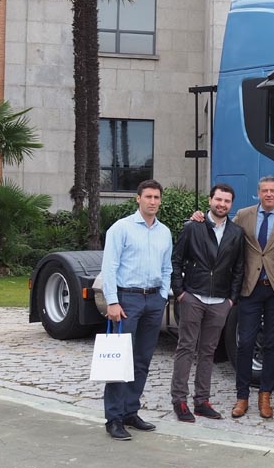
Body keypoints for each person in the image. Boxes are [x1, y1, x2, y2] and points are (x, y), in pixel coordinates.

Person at [100, 179, 172, 440]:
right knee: (120, 361)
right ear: (138, 199)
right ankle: (114, 418)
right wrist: (112, 301)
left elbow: (167, 268)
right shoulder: (121, 229)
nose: (153, 201)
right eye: (148, 197)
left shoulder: (164, 232)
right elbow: (109, 266)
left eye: (156, 197)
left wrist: (163, 295)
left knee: (142, 360)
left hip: (153, 301)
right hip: (127, 301)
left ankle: (131, 411)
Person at [170, 183, 245, 422]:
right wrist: (180, 292)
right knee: (186, 347)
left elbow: (239, 269)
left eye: (227, 201)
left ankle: (202, 400)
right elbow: (176, 261)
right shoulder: (193, 227)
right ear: (210, 200)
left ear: (231, 204)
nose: (222, 204)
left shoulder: (236, 233)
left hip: (220, 301)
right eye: (218, 200)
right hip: (193, 296)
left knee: (208, 352)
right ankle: (179, 400)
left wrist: (231, 299)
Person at [229, 176, 274, 419]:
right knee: (246, 342)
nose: (269, 194)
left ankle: (265, 396)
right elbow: (228, 239)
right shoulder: (243, 215)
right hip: (249, 288)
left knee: (272, 344)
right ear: (258, 193)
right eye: (264, 191)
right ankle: (242, 397)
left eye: (273, 191)